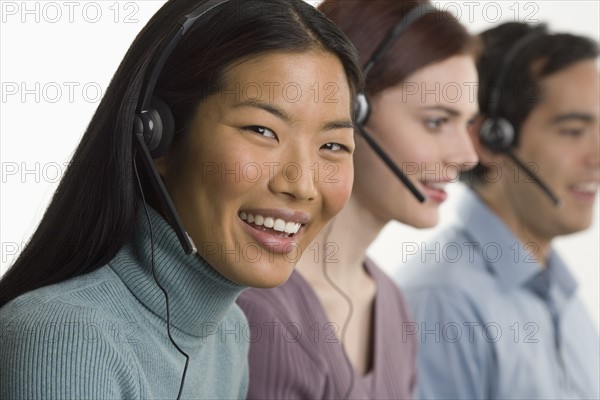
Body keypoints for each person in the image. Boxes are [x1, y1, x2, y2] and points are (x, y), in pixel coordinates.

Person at [0, 0, 364, 398]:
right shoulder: (67, 338)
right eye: (262, 130)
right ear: (156, 136)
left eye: (332, 144)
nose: (303, 184)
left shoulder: (229, 334)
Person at [236, 1, 479, 398]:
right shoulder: (257, 309)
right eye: (437, 121)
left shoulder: (392, 305)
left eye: (467, 124)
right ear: (352, 111)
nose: (467, 156)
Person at [394, 22, 600, 399]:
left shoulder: (565, 298)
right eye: (572, 131)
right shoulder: (445, 302)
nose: (597, 157)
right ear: (492, 141)